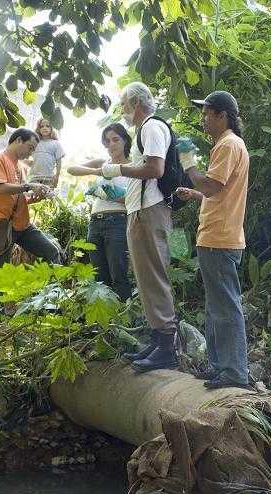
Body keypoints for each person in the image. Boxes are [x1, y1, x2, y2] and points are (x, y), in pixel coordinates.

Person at [84, 82, 178, 372]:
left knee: (153, 276)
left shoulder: (151, 127)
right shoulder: (144, 130)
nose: (123, 109)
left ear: (136, 103)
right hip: (139, 210)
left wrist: (118, 170)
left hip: (150, 209)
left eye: (124, 104)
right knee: (145, 278)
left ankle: (166, 347)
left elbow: (155, 169)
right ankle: (157, 339)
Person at [175, 91, 250, 389]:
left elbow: (212, 185)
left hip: (220, 238)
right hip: (217, 235)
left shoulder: (229, 144)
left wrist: (188, 163)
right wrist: (195, 194)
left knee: (225, 306)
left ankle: (234, 373)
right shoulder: (228, 144)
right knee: (215, 306)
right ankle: (220, 367)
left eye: (207, 113)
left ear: (222, 115)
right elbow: (219, 192)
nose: (203, 118)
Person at [0, 128, 65, 311]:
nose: (31, 152)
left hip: (23, 226)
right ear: (18, 140)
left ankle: (51, 304)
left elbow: (17, 196)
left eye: (33, 149)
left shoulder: (20, 167)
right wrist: (29, 186)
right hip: (0, 224)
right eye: (30, 147)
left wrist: (33, 198)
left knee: (51, 252)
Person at [66, 123, 132, 302]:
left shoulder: (133, 167)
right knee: (99, 276)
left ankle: (123, 319)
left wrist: (111, 195)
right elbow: (71, 169)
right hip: (95, 223)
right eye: (107, 141)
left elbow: (134, 201)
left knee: (118, 273)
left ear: (125, 141)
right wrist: (99, 171)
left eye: (116, 139)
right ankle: (106, 323)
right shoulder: (103, 163)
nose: (111, 144)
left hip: (118, 222)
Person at [27, 118, 65, 189]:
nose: (45, 128)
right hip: (34, 177)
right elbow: (27, 156)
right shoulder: (35, 143)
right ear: (38, 129)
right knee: (33, 197)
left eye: (47, 126)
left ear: (52, 129)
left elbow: (59, 162)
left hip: (49, 178)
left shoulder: (55, 143)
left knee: (48, 198)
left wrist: (57, 176)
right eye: (42, 126)